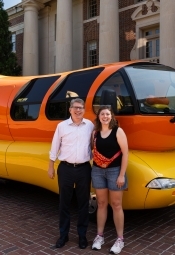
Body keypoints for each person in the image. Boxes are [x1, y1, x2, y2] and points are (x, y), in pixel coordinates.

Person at [48, 98, 94, 249]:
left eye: (80, 108)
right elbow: (55, 146)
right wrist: (51, 166)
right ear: (70, 110)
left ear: (84, 110)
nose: (78, 110)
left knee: (83, 204)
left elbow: (94, 146)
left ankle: (82, 235)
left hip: (84, 169)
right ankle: (63, 235)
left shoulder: (90, 126)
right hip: (65, 168)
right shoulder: (61, 126)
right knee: (64, 203)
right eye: (75, 107)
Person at [91, 105, 128, 254]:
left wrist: (121, 175)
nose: (105, 116)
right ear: (99, 117)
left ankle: (120, 239)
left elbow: (125, 153)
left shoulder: (118, 131)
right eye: (102, 114)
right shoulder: (95, 133)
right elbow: (91, 150)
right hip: (98, 171)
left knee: (116, 204)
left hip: (114, 171)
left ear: (111, 116)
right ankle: (100, 236)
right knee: (101, 203)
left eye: (107, 114)